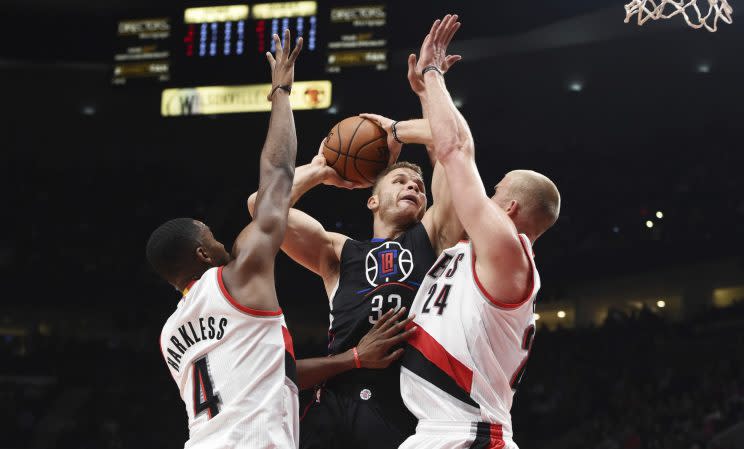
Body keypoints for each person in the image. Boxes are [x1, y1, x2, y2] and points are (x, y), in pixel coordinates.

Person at [246, 49, 465, 449]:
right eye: (399, 181)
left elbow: (451, 147)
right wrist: (321, 171)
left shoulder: (433, 237)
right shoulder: (337, 251)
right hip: (339, 393)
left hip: (406, 398)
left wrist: (422, 98)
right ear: (372, 200)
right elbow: (260, 208)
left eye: (417, 186)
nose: (412, 187)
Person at [398, 15, 561, 449]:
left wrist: (433, 73)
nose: (483, 197)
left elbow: (455, 150)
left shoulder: (506, 251)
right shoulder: (471, 253)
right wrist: (425, 95)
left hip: (468, 435)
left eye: (494, 192)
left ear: (509, 208)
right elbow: (443, 160)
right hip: (435, 432)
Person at [148, 30, 303, 449]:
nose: (222, 243)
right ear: (202, 253)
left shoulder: (168, 336)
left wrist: (352, 360)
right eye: (213, 237)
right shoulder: (238, 275)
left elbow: (263, 373)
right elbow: (278, 175)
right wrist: (282, 91)